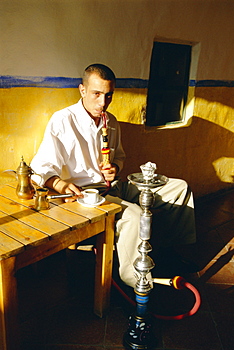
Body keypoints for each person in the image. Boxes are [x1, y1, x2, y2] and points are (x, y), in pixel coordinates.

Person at [31, 63, 197, 288]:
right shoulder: (63, 120)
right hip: (85, 195)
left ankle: (166, 252)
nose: (103, 103)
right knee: (135, 215)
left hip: (115, 185)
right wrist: (60, 184)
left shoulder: (112, 122)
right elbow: (40, 168)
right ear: (82, 90)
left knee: (179, 188)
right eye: (96, 94)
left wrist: (115, 168)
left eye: (108, 96)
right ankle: (135, 281)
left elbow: (119, 157)